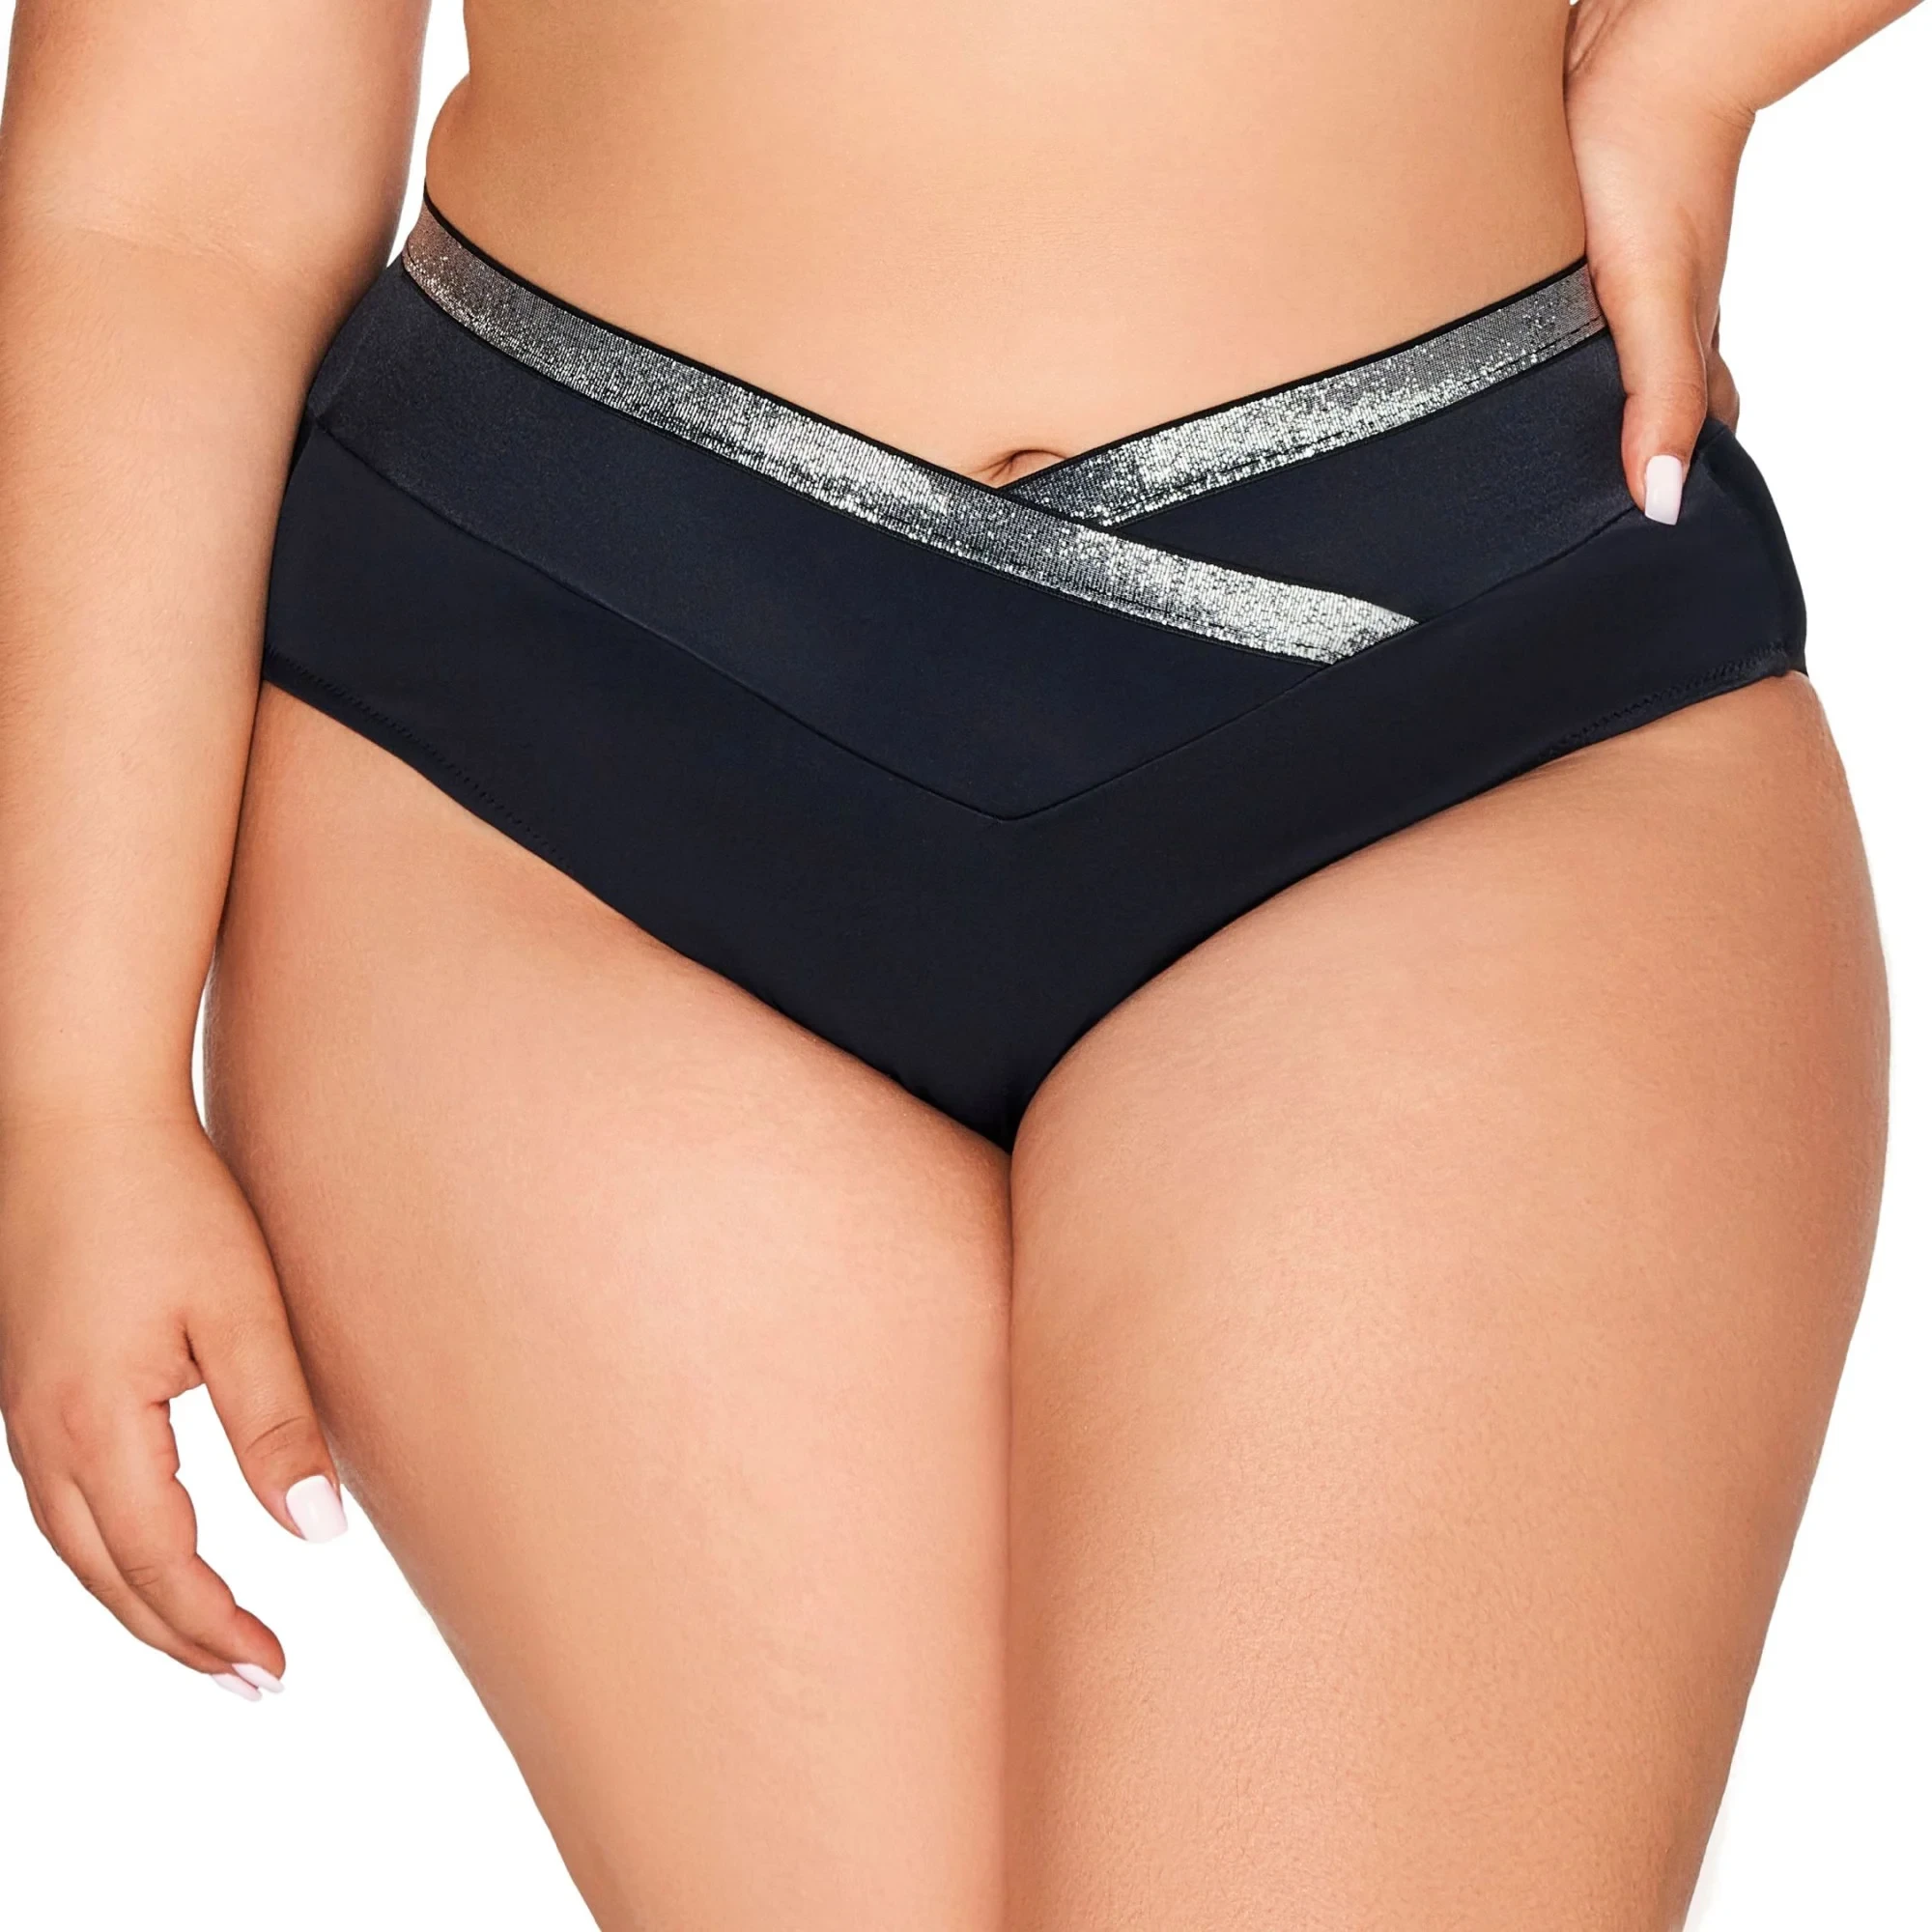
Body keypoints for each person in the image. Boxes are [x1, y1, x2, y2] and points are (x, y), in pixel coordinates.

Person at [0, 0, 1913, 1924]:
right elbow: (173, 193)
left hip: (1463, 692)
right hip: (551, 731)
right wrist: (70, 1086)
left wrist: (1697, 58)